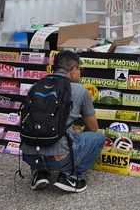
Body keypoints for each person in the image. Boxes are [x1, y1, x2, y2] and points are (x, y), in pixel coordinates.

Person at [21, 50, 105, 193]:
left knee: (38, 131)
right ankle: (70, 176)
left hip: (29, 156)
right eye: (80, 69)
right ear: (73, 71)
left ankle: (38, 173)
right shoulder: (79, 90)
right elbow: (92, 127)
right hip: (58, 159)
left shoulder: (36, 86)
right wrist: (74, 139)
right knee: (99, 138)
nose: (80, 73)